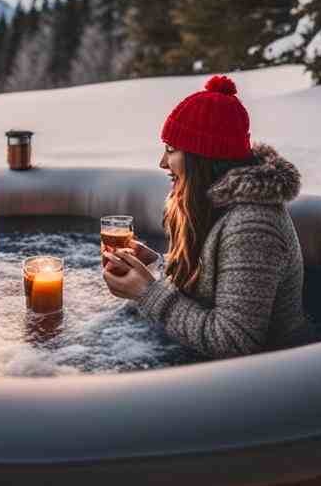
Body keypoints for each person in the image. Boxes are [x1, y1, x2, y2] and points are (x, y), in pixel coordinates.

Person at [102, 75, 306, 359]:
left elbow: (235, 342)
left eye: (171, 150)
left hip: (263, 379)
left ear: (201, 159)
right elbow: (206, 292)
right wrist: (157, 267)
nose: (162, 162)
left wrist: (147, 292)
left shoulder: (253, 226)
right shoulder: (209, 205)